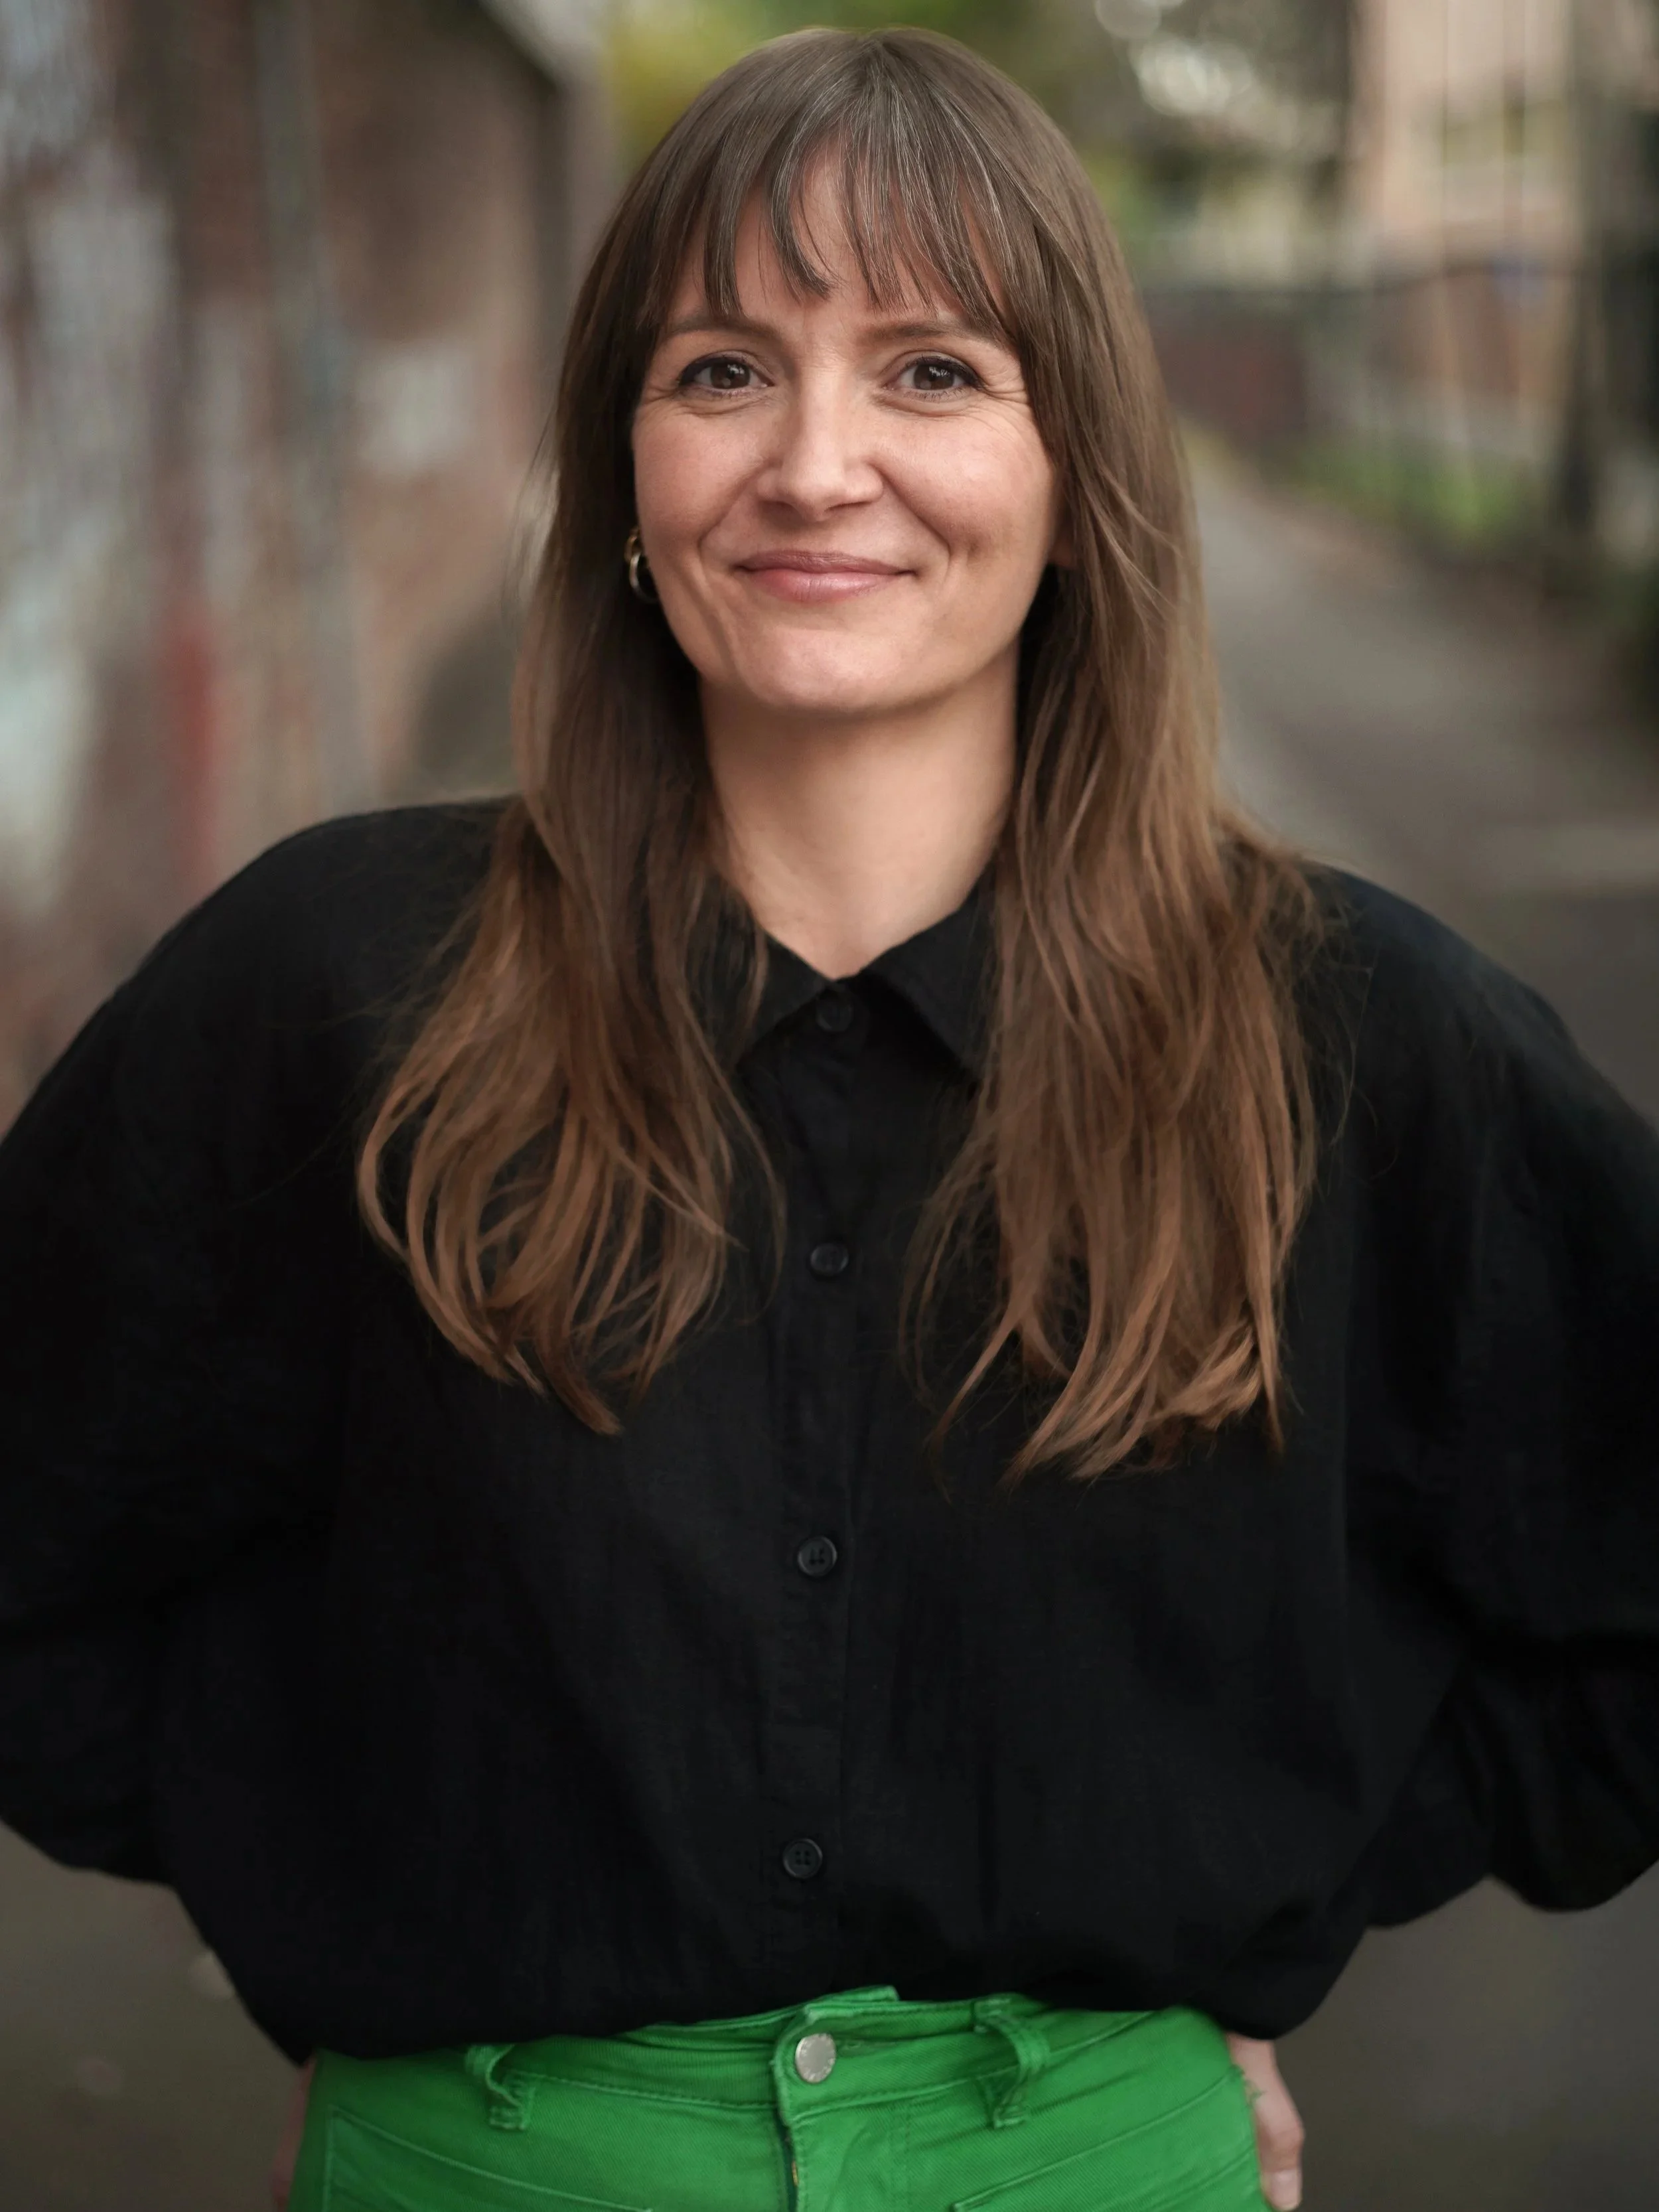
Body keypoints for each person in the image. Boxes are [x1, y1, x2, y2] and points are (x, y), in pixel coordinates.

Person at [3, 25, 1658, 2212]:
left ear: (1080, 475)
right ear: (616, 471)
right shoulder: (330, 988)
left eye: (931, 370)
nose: (812, 462)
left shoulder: (1356, 1037)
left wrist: (1235, 1898)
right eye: (719, 371)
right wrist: (342, 1873)